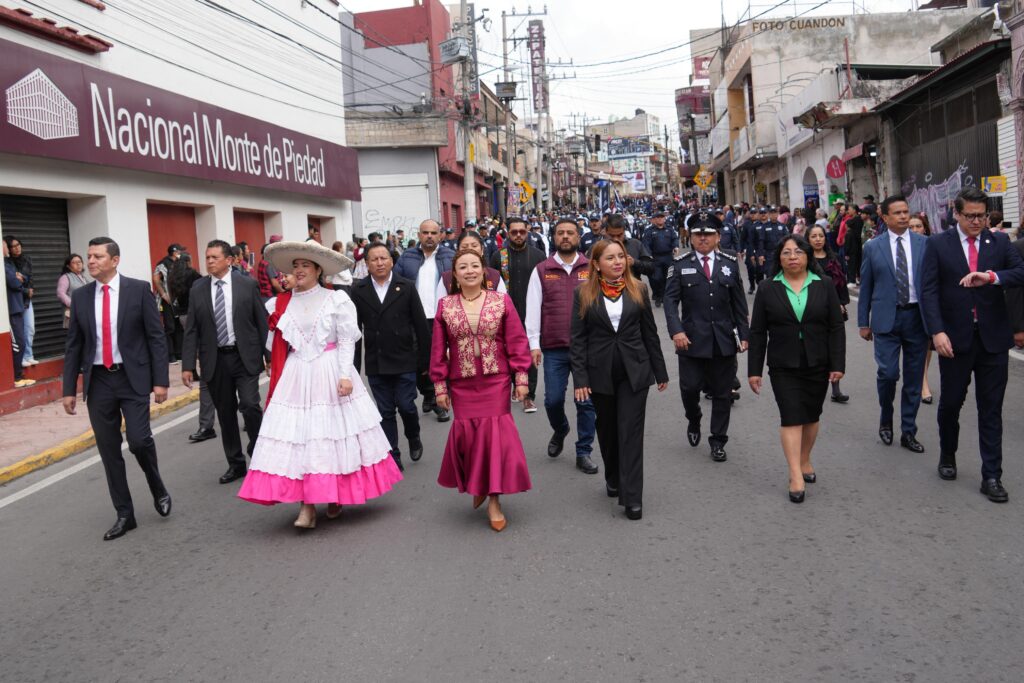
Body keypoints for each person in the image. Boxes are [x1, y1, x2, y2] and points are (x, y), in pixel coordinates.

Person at [238, 241, 402, 527]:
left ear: (318, 270)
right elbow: (274, 344)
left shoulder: (336, 300)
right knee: (301, 437)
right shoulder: (280, 303)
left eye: (305, 265)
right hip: (297, 375)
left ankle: (335, 495)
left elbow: (346, 340)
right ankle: (308, 506)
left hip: (330, 370)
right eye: (296, 266)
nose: (299, 270)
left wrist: (345, 375)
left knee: (331, 435)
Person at [63, 237, 171, 540]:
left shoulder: (138, 290)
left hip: (132, 377)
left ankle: (156, 485)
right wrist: (68, 389)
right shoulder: (81, 296)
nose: (91, 261)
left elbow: (156, 337)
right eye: (89, 256)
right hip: (99, 382)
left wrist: (160, 381)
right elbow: (74, 345)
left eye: (98, 256)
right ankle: (125, 514)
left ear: (114, 260)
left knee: (138, 440)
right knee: (109, 450)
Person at [920, 187, 1024, 502]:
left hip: (993, 339)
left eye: (981, 216)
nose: (976, 221)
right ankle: (947, 453)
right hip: (954, 339)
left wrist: (991, 277)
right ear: (956, 214)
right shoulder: (938, 244)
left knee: (990, 409)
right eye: (970, 216)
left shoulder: (1000, 242)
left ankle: (991, 476)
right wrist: (937, 332)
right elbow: (928, 291)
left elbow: (1019, 272)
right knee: (951, 403)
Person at [430, 250, 533, 532]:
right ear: (455, 274)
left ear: (484, 271)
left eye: (475, 265)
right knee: (469, 439)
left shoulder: (501, 301)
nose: (470, 271)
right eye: (463, 267)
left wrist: (521, 378)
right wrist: (440, 386)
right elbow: (438, 350)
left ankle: (494, 500)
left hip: (495, 380)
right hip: (462, 383)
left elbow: (516, 340)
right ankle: (479, 483)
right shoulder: (445, 305)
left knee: (495, 440)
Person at [571, 240, 669, 521]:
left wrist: (660, 371)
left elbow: (649, 333)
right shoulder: (583, 293)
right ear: (596, 264)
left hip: (634, 371)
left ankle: (632, 497)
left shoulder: (639, 289)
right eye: (610, 258)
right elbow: (577, 340)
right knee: (608, 431)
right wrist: (580, 379)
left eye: (621, 257)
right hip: (599, 373)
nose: (617, 262)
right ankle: (613, 476)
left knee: (630, 432)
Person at [748, 235, 845, 504]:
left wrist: (838, 364)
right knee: (791, 416)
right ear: (779, 258)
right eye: (786, 252)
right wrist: (754, 370)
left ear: (807, 256)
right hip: (783, 363)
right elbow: (758, 332)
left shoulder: (823, 284)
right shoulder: (768, 288)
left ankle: (804, 458)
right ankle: (795, 474)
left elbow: (836, 327)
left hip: (818, 361)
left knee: (811, 415)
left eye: (798, 252)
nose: (793, 257)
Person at [181, 240, 270, 484]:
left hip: (244, 356)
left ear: (229, 260)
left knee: (250, 405)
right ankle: (236, 464)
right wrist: (187, 365)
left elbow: (260, 321)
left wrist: (269, 355)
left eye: (214, 257)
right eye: (207, 257)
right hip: (215, 360)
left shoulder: (247, 285)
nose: (209, 261)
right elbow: (192, 329)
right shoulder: (198, 288)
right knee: (225, 413)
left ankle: (259, 453)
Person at [664, 212, 748, 463]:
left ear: (718, 237)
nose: (703, 238)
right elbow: (670, 302)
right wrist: (676, 331)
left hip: (723, 339)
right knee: (689, 388)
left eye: (708, 234)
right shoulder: (680, 264)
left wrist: (744, 334)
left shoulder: (729, 263)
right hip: (691, 340)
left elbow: (739, 303)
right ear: (690, 237)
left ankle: (718, 440)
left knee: (723, 393)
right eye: (698, 234)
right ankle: (694, 418)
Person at [525, 217, 599, 475]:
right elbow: (533, 308)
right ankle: (561, 429)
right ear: (553, 237)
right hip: (554, 348)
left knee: (586, 403)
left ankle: (584, 451)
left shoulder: (591, 268)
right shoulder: (542, 270)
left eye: (570, 233)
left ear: (579, 237)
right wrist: (534, 344)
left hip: (586, 349)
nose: (565, 236)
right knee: (552, 400)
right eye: (560, 233)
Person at [857, 195, 929, 452]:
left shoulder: (924, 244)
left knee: (913, 378)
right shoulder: (873, 247)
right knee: (888, 374)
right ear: (885, 217)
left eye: (905, 212)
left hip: (917, 318)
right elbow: (866, 286)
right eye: (897, 213)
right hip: (886, 319)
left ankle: (909, 431)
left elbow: (933, 285)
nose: (903, 216)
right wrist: (863, 322)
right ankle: (886, 418)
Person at [350, 243, 429, 473]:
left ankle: (413, 436)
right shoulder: (358, 290)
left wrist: (425, 361)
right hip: (377, 361)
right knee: (385, 412)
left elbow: (421, 325)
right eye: (374, 259)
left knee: (406, 406)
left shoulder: (406, 286)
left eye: (383, 258)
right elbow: (354, 332)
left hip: (404, 358)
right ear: (366, 264)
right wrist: (353, 368)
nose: (380, 263)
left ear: (392, 261)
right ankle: (393, 454)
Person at [394, 219, 456, 422]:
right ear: (419, 235)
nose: (429, 236)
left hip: (441, 317)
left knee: (440, 359)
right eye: (425, 232)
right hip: (414, 318)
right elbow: (396, 283)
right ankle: (429, 394)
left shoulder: (450, 257)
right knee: (419, 360)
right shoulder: (407, 257)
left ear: (440, 235)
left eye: (433, 233)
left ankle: (439, 400)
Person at [490, 217, 546, 413]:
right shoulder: (499, 256)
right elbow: (492, 286)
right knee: (510, 352)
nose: (519, 235)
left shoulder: (538, 256)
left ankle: (529, 396)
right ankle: (516, 385)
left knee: (531, 353)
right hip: (506, 314)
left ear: (527, 231)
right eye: (514, 232)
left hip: (533, 313)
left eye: (522, 231)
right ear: (508, 233)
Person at [168, 253, 216, 445]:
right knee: (206, 379)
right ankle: (206, 425)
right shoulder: (196, 279)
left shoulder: (173, 277)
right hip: (196, 317)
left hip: (181, 315)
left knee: (193, 345)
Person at [806, 224, 851, 403]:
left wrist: (841, 303)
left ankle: (836, 389)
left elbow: (841, 283)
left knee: (835, 347)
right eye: (814, 236)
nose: (818, 239)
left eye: (821, 236)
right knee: (815, 348)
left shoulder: (835, 258)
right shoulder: (805, 260)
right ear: (808, 239)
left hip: (834, 310)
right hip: (813, 309)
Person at [908, 213, 934, 404]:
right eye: (911, 227)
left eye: (918, 226)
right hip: (910, 303)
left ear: (925, 228)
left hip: (929, 301)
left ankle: (921, 377)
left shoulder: (931, 245)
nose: (915, 230)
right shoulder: (902, 247)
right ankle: (923, 382)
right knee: (917, 344)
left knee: (928, 343)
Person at [436, 232, 506, 300]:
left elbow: (504, 303)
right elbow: (440, 305)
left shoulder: (495, 276)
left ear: (482, 249)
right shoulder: (446, 278)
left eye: (474, 246)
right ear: (458, 251)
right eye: (464, 247)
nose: (470, 249)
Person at [3, 240, 33, 387]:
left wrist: (19, 278)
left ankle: (19, 376)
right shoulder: (3, 264)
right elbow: (14, 282)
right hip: (12, 310)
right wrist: (18, 280)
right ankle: (17, 378)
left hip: (18, 307)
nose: (7, 248)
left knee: (20, 341)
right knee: (18, 343)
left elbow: (23, 278)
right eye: (5, 245)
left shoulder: (9, 263)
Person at [594, 213, 654, 281]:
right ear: (606, 232)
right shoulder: (598, 247)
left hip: (633, 286)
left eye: (619, 235)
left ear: (624, 231)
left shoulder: (635, 244)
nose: (616, 239)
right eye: (612, 236)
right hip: (605, 286)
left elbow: (650, 268)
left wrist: (634, 262)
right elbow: (589, 271)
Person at [153, 243, 183, 363]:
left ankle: (179, 353)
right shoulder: (163, 264)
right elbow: (156, 279)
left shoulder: (179, 263)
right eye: (180, 251)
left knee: (179, 326)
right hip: (167, 301)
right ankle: (170, 355)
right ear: (175, 253)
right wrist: (164, 294)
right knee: (170, 327)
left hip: (179, 300)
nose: (181, 253)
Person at [642, 211, 679, 308]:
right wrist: (648, 254)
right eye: (658, 217)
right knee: (657, 278)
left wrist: (676, 246)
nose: (660, 219)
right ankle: (657, 295)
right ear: (654, 219)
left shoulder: (670, 229)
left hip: (668, 257)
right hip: (656, 258)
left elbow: (675, 239)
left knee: (668, 277)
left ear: (664, 219)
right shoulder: (649, 231)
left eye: (662, 217)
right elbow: (646, 244)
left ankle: (665, 296)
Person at [57, 253, 89, 333]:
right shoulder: (66, 277)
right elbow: (60, 293)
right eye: (74, 262)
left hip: (84, 312)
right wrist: (73, 304)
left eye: (79, 262)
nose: (78, 264)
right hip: (72, 312)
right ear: (68, 266)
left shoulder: (84, 278)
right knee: (75, 336)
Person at [256, 236, 286, 302]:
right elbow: (275, 284)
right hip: (270, 297)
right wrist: (284, 292)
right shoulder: (269, 263)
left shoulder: (262, 261)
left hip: (264, 296)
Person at [741, 207, 764, 293]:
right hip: (750, 248)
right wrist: (741, 249)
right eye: (752, 213)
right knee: (750, 268)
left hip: (759, 249)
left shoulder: (761, 224)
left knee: (759, 269)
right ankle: (752, 286)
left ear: (758, 214)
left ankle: (760, 284)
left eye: (755, 213)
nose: (753, 215)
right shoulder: (746, 224)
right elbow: (742, 238)